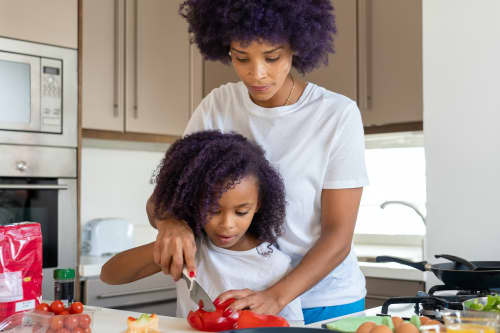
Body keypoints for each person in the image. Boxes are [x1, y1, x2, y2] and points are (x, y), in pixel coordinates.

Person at [147, 0, 369, 325]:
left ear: (298, 45)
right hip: (240, 298)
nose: (256, 73)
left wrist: (276, 297)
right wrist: (172, 223)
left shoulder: (336, 115)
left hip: (323, 301)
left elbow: (338, 236)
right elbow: (165, 198)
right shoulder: (218, 106)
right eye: (241, 58)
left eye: (272, 57)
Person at [101, 130, 304, 322]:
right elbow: (109, 275)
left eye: (241, 212)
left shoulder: (275, 266)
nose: (227, 225)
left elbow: (294, 326)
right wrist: (168, 245)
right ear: (194, 202)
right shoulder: (192, 248)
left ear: (258, 204)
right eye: (213, 210)